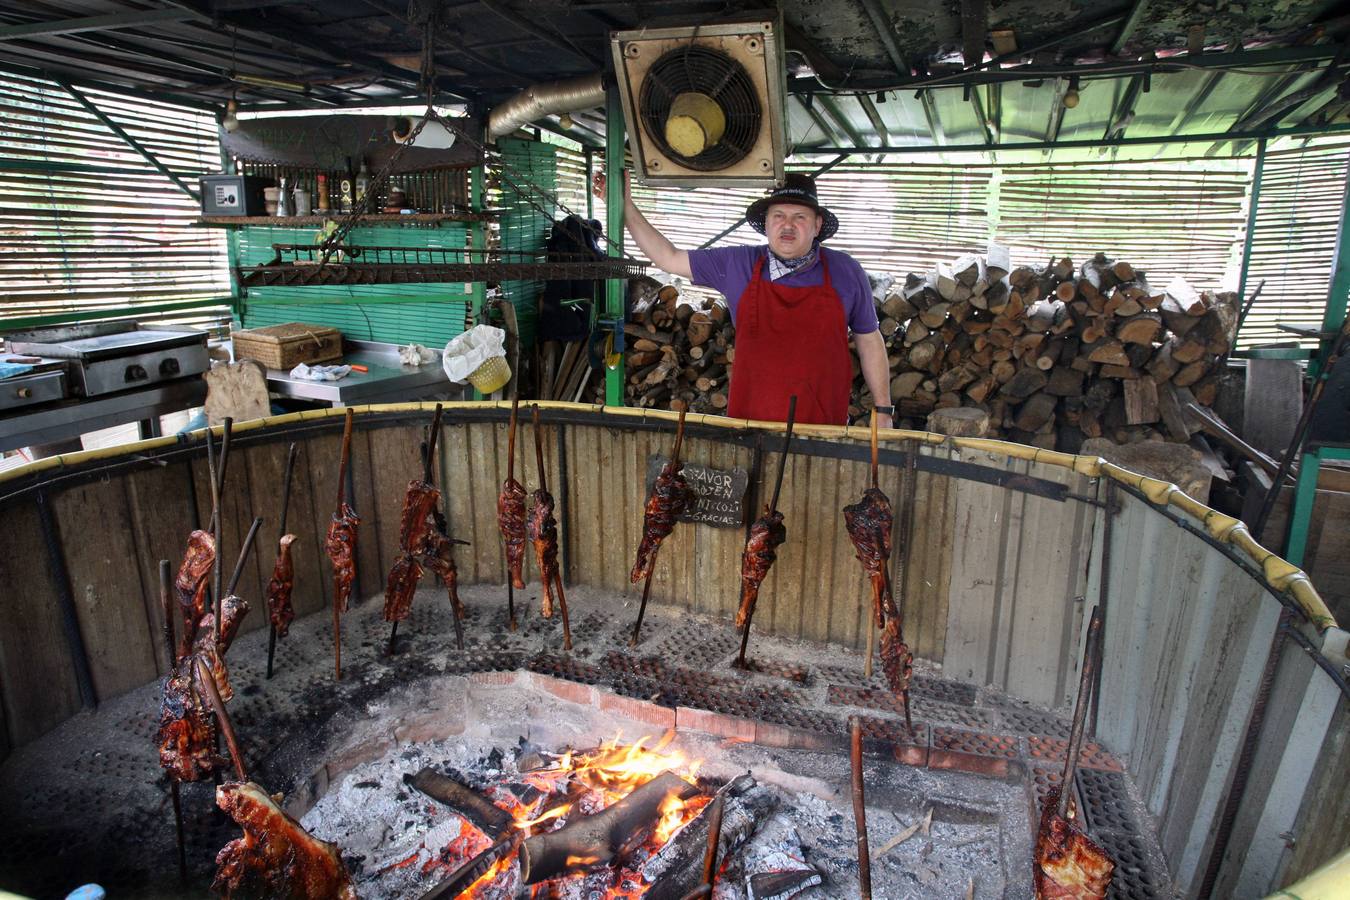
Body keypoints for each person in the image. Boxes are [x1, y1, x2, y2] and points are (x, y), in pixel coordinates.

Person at [593, 171, 893, 428]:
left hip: (823, 425)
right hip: (750, 423)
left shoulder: (845, 270)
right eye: (779, 216)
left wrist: (883, 409)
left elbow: (868, 338)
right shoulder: (737, 263)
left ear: (816, 226)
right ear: (767, 223)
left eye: (799, 217)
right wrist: (626, 207)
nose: (787, 225)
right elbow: (668, 258)